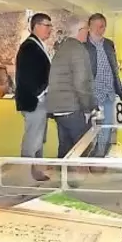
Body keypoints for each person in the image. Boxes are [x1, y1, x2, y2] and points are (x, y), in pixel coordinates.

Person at [47, 18, 96, 158]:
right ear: (80, 31)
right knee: (83, 148)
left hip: (58, 108)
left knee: (65, 149)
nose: (88, 31)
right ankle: (81, 178)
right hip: (73, 107)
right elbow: (81, 82)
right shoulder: (78, 49)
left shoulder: (62, 48)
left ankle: (64, 178)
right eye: (87, 29)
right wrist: (88, 108)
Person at [15, 12, 53, 181]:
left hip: (38, 101)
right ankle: (25, 176)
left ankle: (36, 172)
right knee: (32, 139)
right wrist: (41, 93)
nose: (50, 29)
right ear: (36, 26)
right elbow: (28, 76)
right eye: (47, 25)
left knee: (38, 138)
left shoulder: (37, 45)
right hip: (34, 101)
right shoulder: (29, 47)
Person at [84, 13, 122, 126]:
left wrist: (118, 89)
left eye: (101, 26)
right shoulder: (83, 45)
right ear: (89, 27)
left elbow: (113, 67)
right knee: (91, 130)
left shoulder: (109, 44)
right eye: (95, 26)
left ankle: (104, 144)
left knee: (107, 128)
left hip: (109, 94)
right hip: (92, 94)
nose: (99, 29)